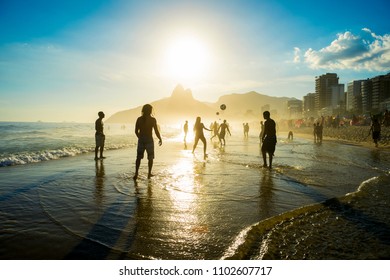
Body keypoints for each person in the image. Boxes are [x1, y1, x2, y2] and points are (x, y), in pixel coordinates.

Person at [133, 104, 162, 180]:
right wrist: (160, 138)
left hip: (141, 140)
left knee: (138, 157)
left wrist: (140, 138)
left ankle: (136, 174)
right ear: (150, 110)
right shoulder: (153, 120)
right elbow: (156, 131)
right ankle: (149, 174)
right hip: (149, 140)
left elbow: (136, 131)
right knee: (150, 158)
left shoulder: (139, 119)